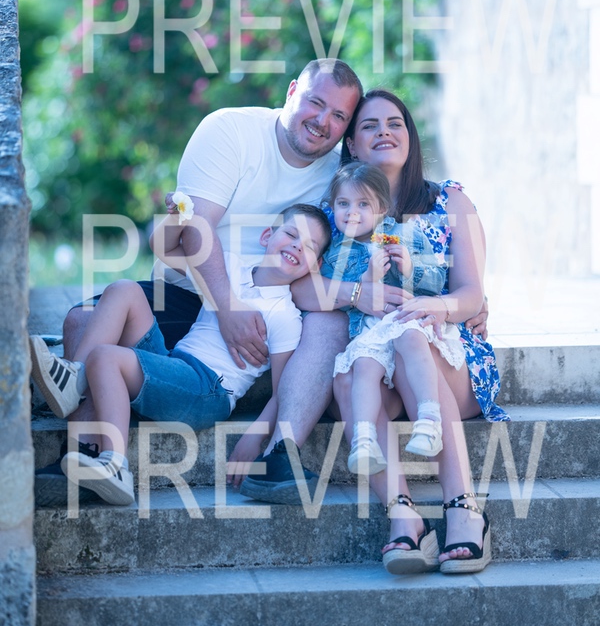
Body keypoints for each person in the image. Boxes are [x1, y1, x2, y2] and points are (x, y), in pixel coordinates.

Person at [35, 58, 364, 505]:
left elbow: (383, 198)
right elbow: (184, 235)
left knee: (98, 342)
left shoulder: (338, 176)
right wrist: (225, 305)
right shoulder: (231, 130)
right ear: (291, 93)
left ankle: (97, 446)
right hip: (194, 292)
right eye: (315, 103)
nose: (323, 121)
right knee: (87, 316)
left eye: (339, 115)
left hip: (240, 337)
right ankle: (86, 454)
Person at [241, 89, 507, 577]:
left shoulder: (450, 201)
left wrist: (436, 306)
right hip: (376, 359)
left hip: (447, 357)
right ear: (352, 145)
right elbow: (301, 288)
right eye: (369, 125)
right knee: (348, 376)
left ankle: (464, 508)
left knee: (412, 339)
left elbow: (471, 294)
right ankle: (404, 515)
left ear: (409, 136)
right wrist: (356, 294)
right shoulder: (338, 209)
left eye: (394, 123)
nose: (384, 131)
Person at [29, 205, 331, 505]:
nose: (296, 246)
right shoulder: (230, 268)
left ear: (315, 265)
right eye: (291, 234)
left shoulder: (285, 316)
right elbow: (165, 248)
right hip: (175, 363)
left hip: (208, 390)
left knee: (106, 357)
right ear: (267, 236)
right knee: (124, 289)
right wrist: (178, 215)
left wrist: (255, 436)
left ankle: (115, 464)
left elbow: (282, 391)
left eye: (309, 246)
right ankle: (74, 378)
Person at [321, 161, 465, 473]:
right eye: (343, 204)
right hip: (369, 329)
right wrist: (366, 280)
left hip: (406, 318)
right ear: (333, 207)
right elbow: (335, 299)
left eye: (363, 204)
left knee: (410, 338)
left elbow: (438, 281)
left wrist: (411, 268)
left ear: (382, 209)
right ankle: (364, 440)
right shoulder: (334, 252)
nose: (352, 212)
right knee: (364, 366)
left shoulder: (406, 235)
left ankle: (429, 421)